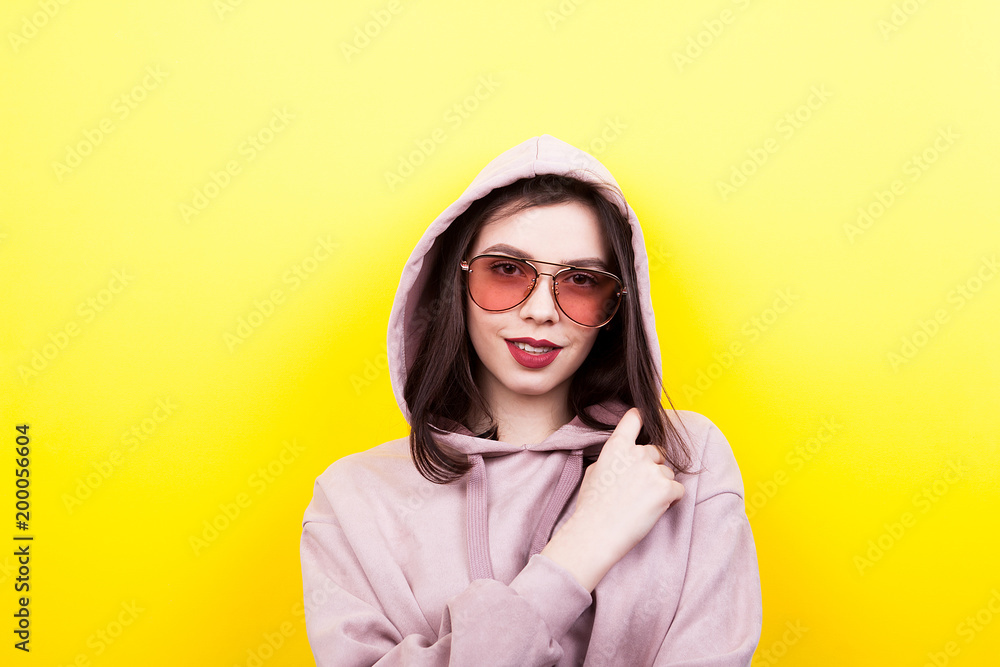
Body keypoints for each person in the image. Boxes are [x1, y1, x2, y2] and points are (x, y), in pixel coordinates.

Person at [300, 134, 762, 666]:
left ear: (616, 302)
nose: (542, 310)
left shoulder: (685, 461)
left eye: (581, 280)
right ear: (454, 284)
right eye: (506, 270)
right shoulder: (352, 501)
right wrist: (579, 551)